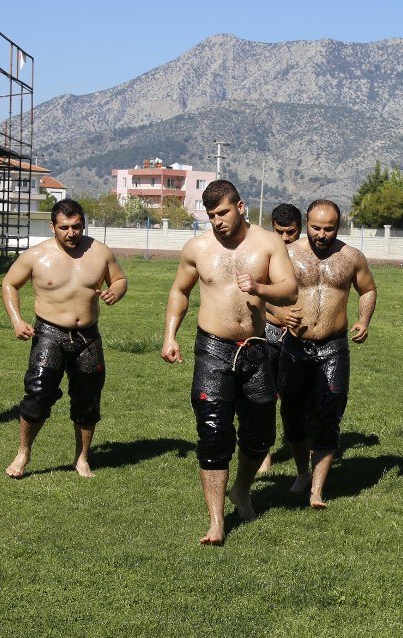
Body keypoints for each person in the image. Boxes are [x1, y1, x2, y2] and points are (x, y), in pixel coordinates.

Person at [161, 180, 298, 545]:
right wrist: (170, 335)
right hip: (213, 348)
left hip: (255, 349)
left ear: (240, 206)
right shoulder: (198, 248)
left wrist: (259, 288)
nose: (217, 221)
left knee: (260, 434)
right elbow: (179, 290)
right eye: (210, 215)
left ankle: (241, 489)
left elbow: (290, 289)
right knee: (212, 431)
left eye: (222, 212)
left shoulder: (268, 244)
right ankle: (217, 521)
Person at [2, 199, 127, 478]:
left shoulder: (100, 252)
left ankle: (82, 458)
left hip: (88, 338)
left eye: (77, 226)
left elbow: (119, 280)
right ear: (53, 227)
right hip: (49, 334)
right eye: (64, 227)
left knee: (88, 399)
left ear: (84, 223)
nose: (71, 233)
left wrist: (114, 292)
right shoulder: (36, 255)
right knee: (38, 394)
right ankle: (23, 454)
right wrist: (16, 320)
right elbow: (10, 283)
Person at [277, 199, 377, 508]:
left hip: (333, 347)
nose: (322, 234)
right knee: (292, 414)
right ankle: (302, 473)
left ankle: (317, 491)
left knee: (329, 414)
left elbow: (368, 290)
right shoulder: (287, 255)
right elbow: (259, 291)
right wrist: (280, 314)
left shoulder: (351, 257)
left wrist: (363, 319)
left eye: (329, 229)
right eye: (316, 228)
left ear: (339, 226)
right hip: (294, 346)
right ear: (306, 224)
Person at [257, 202, 303, 473]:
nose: (286, 238)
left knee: (297, 397)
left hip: (301, 336)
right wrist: (280, 313)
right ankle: (264, 453)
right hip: (270, 333)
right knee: (264, 397)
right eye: (280, 232)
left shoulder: (307, 256)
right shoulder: (265, 254)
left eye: (291, 232)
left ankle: (303, 448)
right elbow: (257, 292)